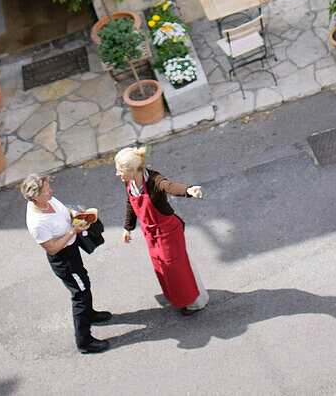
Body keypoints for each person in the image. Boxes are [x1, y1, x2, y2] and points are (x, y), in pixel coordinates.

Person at [20, 173, 112, 354]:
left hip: (71, 251)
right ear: (36, 197)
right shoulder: (37, 223)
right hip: (64, 259)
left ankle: (90, 314)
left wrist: (73, 214)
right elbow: (52, 248)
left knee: (84, 281)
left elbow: (64, 210)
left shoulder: (48, 201)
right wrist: (73, 231)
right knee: (81, 292)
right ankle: (84, 341)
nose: (51, 192)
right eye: (47, 191)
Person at [115, 145, 209, 316]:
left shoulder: (154, 180)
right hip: (150, 233)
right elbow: (131, 204)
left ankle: (194, 302)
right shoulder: (130, 182)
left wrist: (188, 190)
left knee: (177, 268)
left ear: (131, 170)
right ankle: (178, 298)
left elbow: (169, 186)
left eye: (120, 171)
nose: (117, 174)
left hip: (168, 232)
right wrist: (128, 228)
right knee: (162, 267)